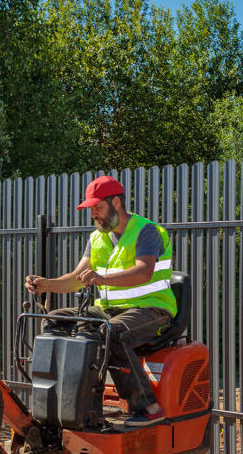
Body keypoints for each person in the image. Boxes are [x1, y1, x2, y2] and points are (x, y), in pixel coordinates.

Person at [24, 175, 177, 424]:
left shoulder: (147, 231)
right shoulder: (97, 237)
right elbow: (77, 278)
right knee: (55, 320)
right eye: (91, 209)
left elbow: (144, 271)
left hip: (152, 308)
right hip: (109, 310)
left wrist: (102, 279)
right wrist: (46, 284)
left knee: (111, 333)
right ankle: (65, 402)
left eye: (98, 207)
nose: (93, 214)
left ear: (116, 202)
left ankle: (149, 408)